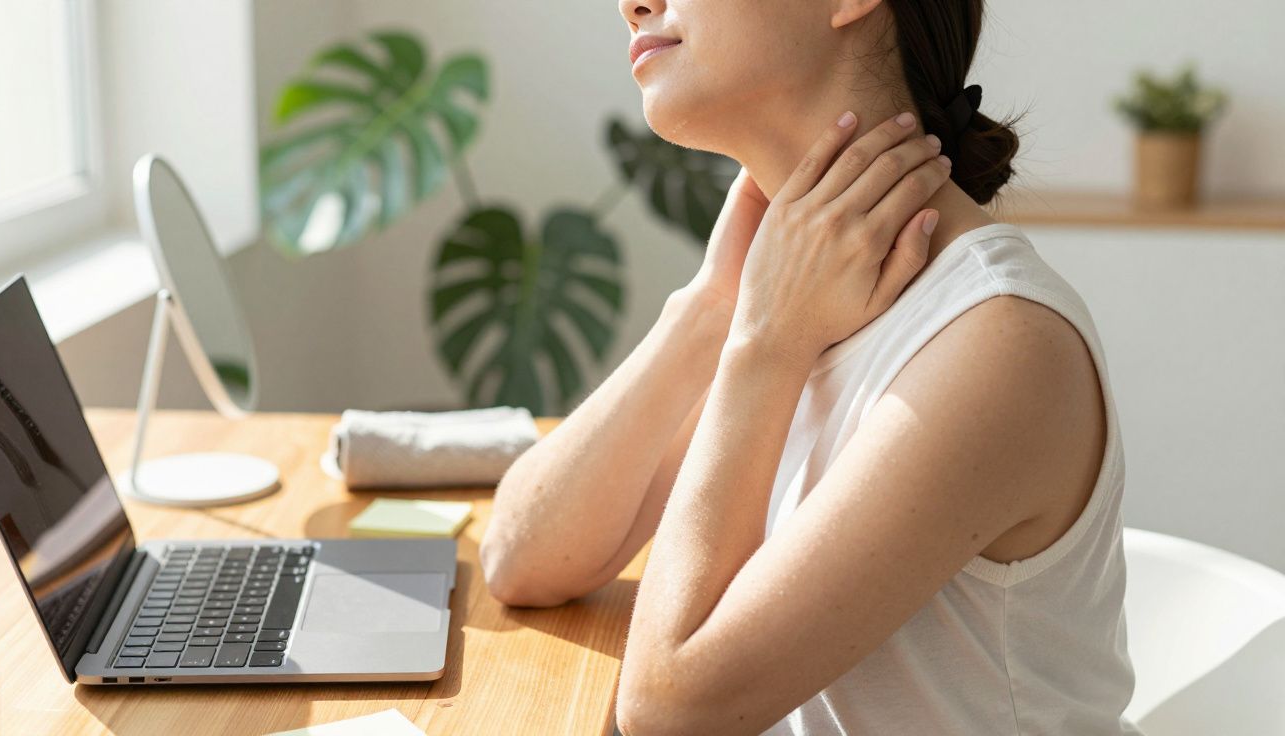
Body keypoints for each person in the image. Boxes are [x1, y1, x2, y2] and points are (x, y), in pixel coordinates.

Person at [480, 1, 1142, 733]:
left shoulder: (1000, 342)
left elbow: (669, 710)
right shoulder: (796, 286)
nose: (631, 2)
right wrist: (713, 306)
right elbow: (521, 558)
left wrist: (764, 343)